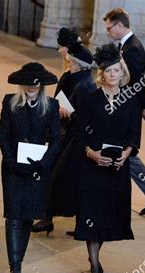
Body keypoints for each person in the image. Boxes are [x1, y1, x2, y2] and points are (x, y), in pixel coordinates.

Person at [75, 43, 140, 273]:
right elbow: (80, 134)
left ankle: (96, 260)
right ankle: (94, 266)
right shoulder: (90, 99)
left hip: (116, 169)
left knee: (104, 218)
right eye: (108, 72)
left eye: (116, 71)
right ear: (101, 74)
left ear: (122, 73)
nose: (113, 76)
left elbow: (134, 134)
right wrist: (91, 153)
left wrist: (127, 153)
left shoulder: (130, 101)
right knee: (90, 216)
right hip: (92, 168)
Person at [0, 62, 61, 273]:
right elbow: (2, 135)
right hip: (13, 169)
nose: (32, 87)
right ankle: (15, 270)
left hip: (37, 171)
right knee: (13, 216)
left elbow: (56, 139)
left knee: (27, 217)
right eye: (28, 83)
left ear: (41, 85)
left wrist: (43, 164)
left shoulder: (51, 106)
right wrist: (11, 161)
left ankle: (19, 263)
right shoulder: (10, 103)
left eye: (36, 84)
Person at [104, 8, 145, 215]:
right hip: (123, 105)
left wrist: (143, 107)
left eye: (109, 28)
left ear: (120, 25)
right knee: (120, 151)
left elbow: (138, 81)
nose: (108, 32)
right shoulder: (126, 47)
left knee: (124, 152)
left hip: (127, 108)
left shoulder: (134, 49)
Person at [34, 43, 96, 236]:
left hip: (76, 139)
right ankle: (50, 217)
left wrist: (68, 113)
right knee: (61, 177)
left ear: (77, 64)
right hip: (70, 136)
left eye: (71, 61)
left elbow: (86, 117)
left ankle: (53, 218)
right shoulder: (79, 80)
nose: (68, 63)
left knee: (59, 176)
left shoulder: (84, 85)